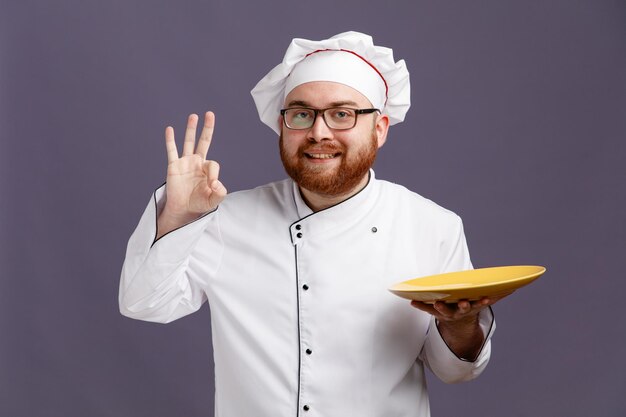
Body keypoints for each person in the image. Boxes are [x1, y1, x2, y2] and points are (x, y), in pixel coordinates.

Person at [119, 31, 503, 417]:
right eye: (301, 114)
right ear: (283, 125)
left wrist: (462, 324)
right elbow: (144, 303)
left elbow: (454, 371)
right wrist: (177, 215)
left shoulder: (431, 226)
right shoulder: (228, 218)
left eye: (342, 114)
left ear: (380, 128)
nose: (319, 132)